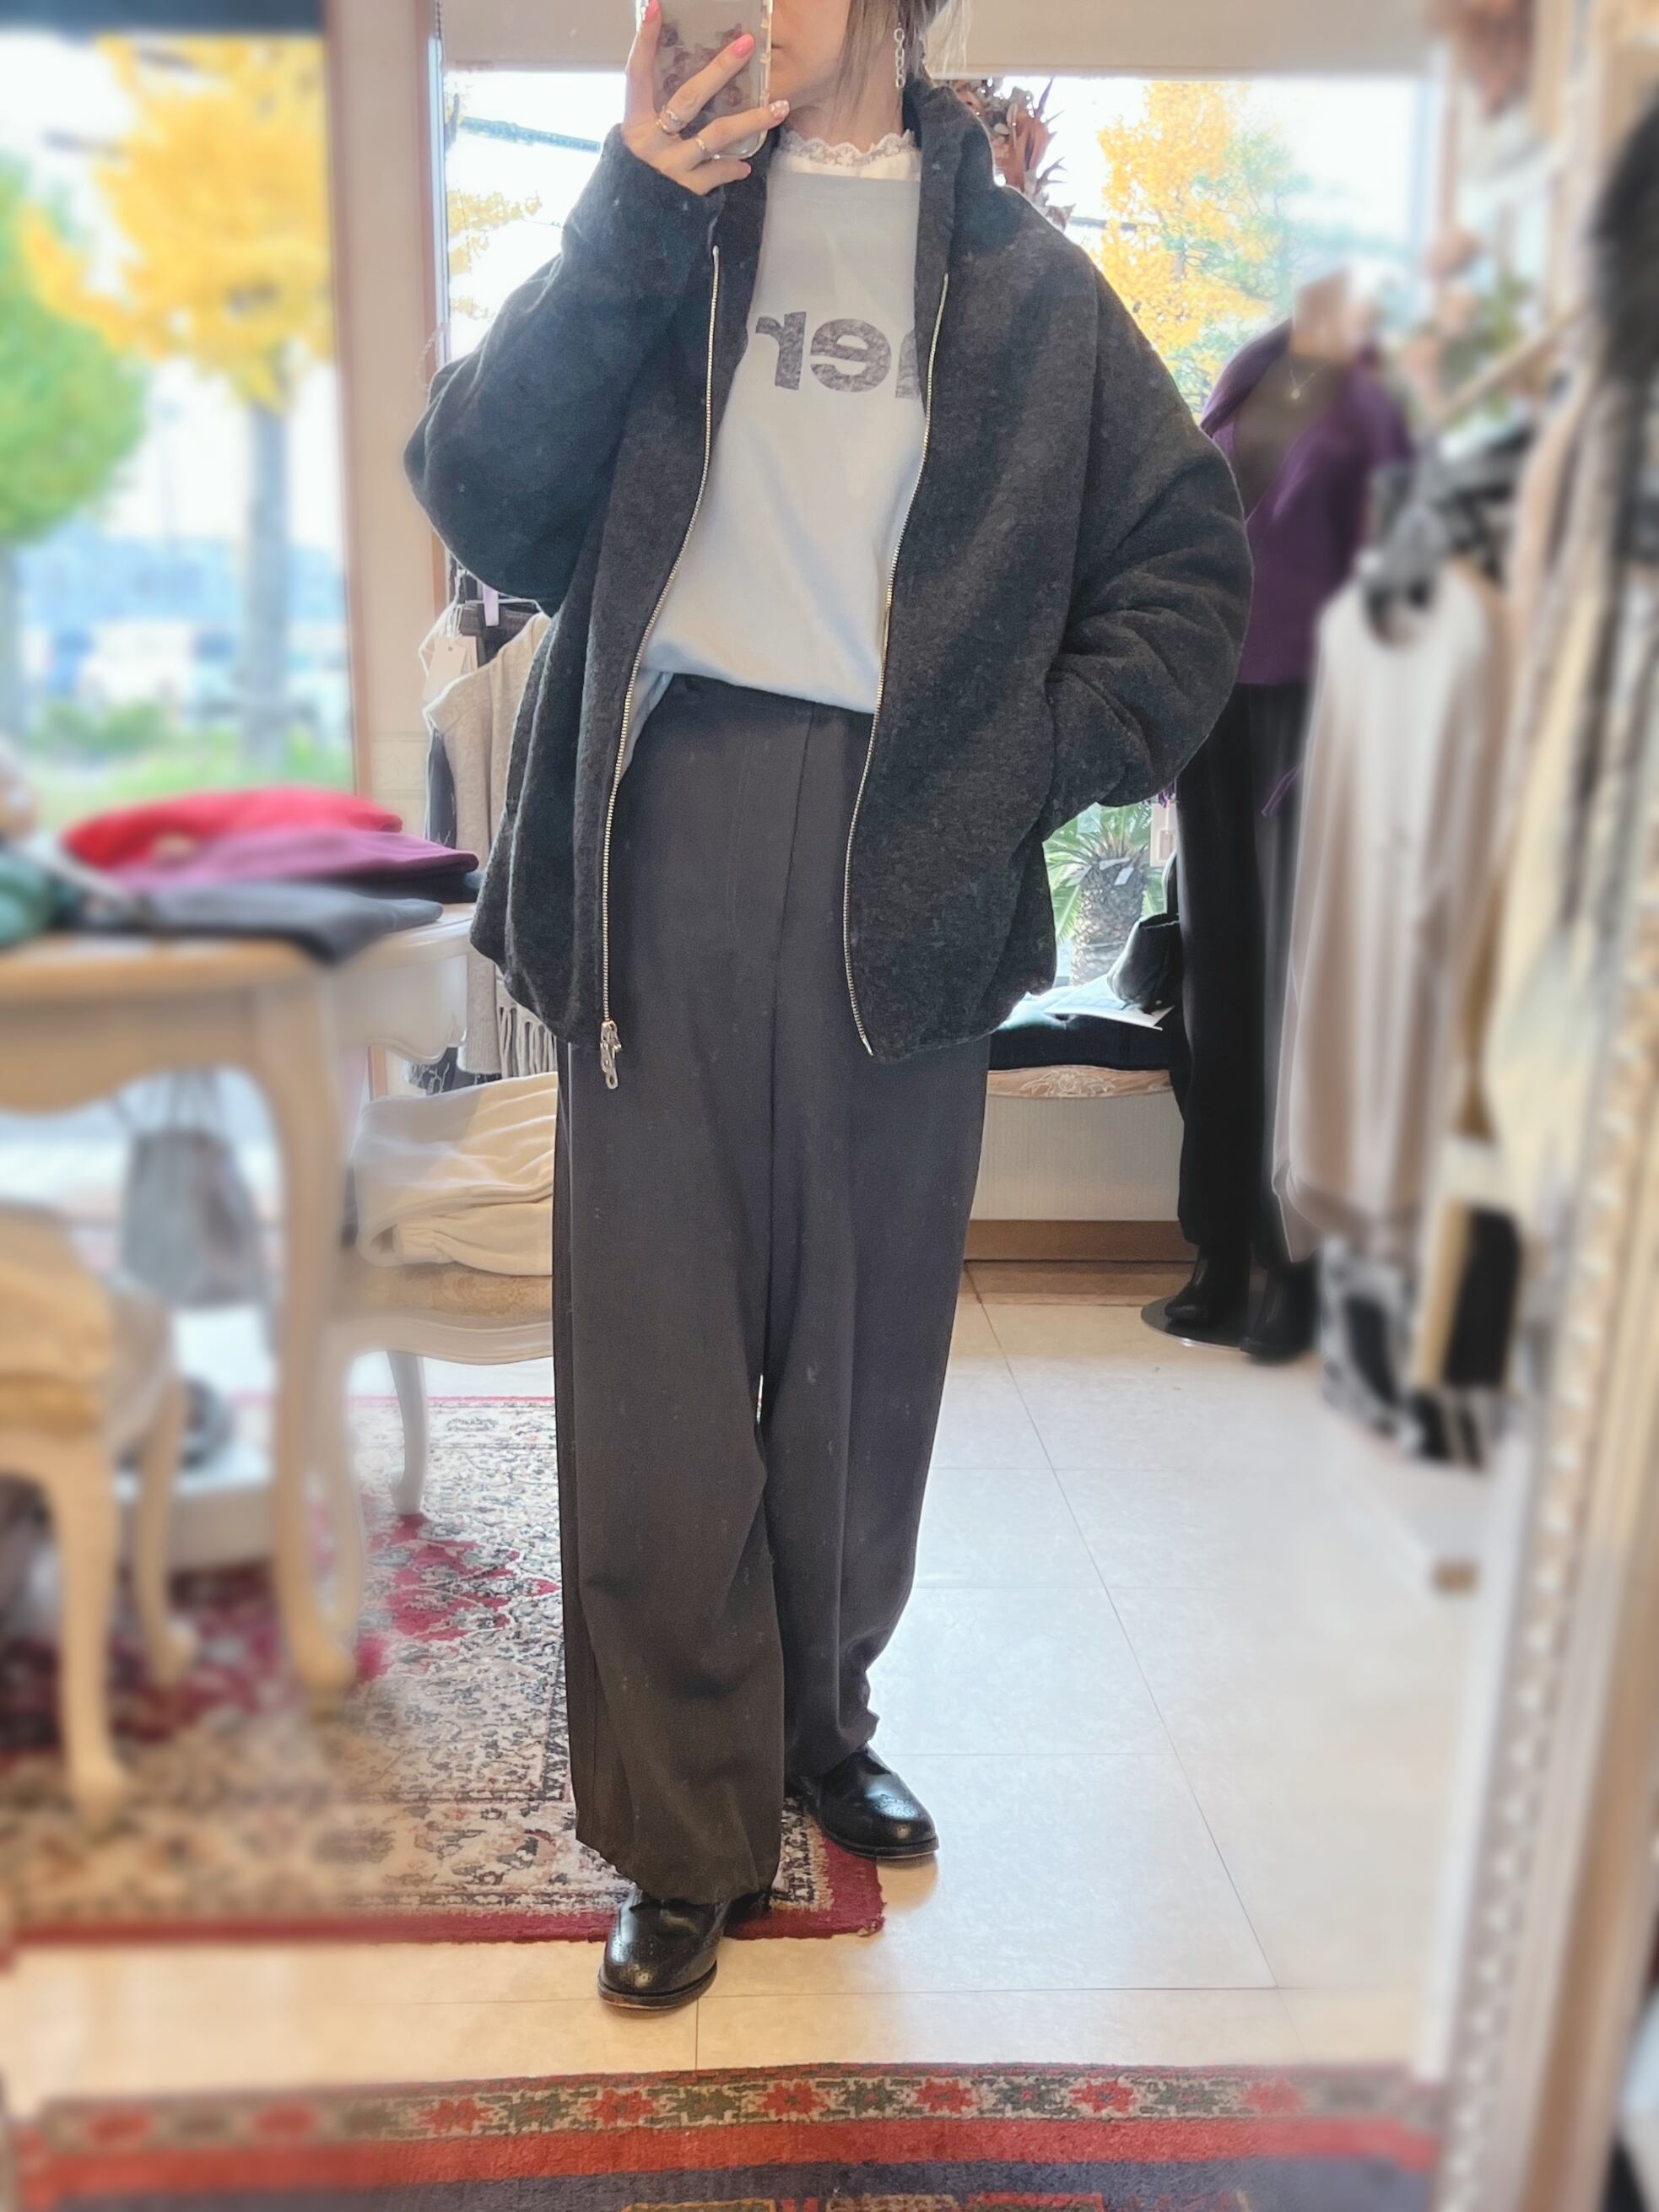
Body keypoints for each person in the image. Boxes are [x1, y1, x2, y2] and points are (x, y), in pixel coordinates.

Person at [406, 0, 1251, 2010]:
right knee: (662, 1350)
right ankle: (679, 1825)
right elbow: (484, 492)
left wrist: (1029, 757)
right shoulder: (668, 230)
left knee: (863, 1357)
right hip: (668, 816)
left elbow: (1185, 569)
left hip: (915, 855)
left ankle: (813, 1712)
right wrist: (627, 204)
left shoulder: (1031, 292)